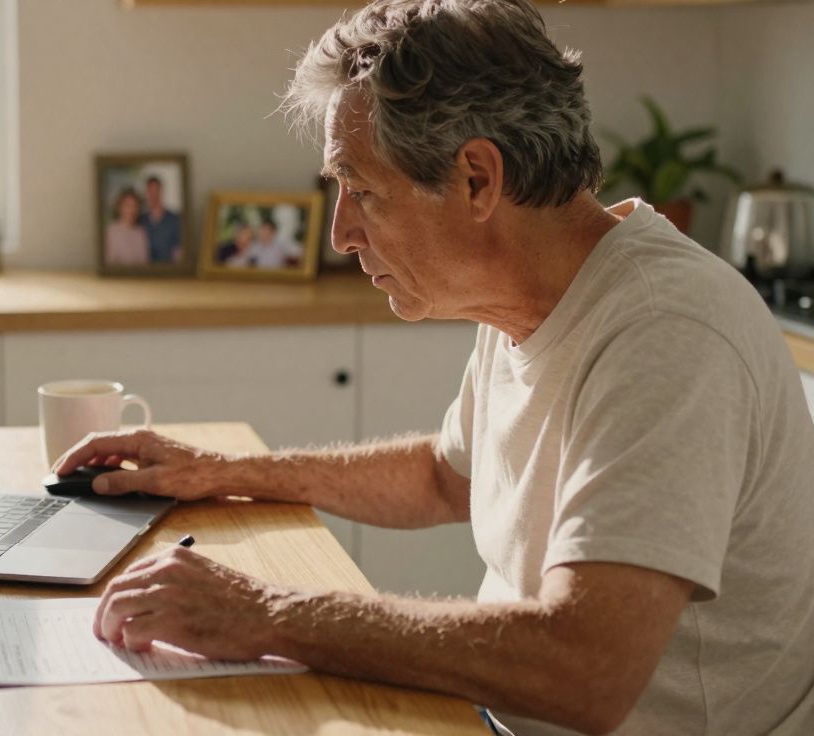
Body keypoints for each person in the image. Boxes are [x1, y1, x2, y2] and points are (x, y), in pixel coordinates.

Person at [52, 1, 814, 734]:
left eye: (362, 190)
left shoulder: (664, 333)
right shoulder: (529, 293)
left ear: (477, 179)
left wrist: (266, 613)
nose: (343, 232)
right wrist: (221, 471)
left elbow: (586, 669)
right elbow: (445, 478)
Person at [138, 176, 182, 263]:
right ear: (146, 193)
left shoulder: (174, 219)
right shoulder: (141, 220)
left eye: (156, 190)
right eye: (150, 191)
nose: (153, 194)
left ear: (161, 191)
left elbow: (178, 250)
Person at [104, 187, 149, 266]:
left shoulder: (140, 232)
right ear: (119, 207)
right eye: (128, 206)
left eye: (135, 206)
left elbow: (144, 262)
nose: (132, 210)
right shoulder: (110, 231)